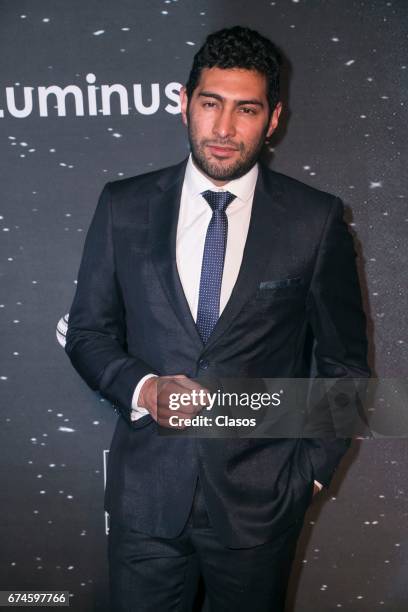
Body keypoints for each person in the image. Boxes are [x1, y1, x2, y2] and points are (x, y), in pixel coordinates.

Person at [65, 26, 370, 612]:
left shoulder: (316, 221)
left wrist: (306, 476)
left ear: (273, 118)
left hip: (262, 506)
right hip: (145, 505)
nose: (225, 129)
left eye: (246, 109)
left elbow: (345, 368)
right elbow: (88, 332)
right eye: (211, 103)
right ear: (184, 103)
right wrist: (144, 387)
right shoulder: (122, 205)